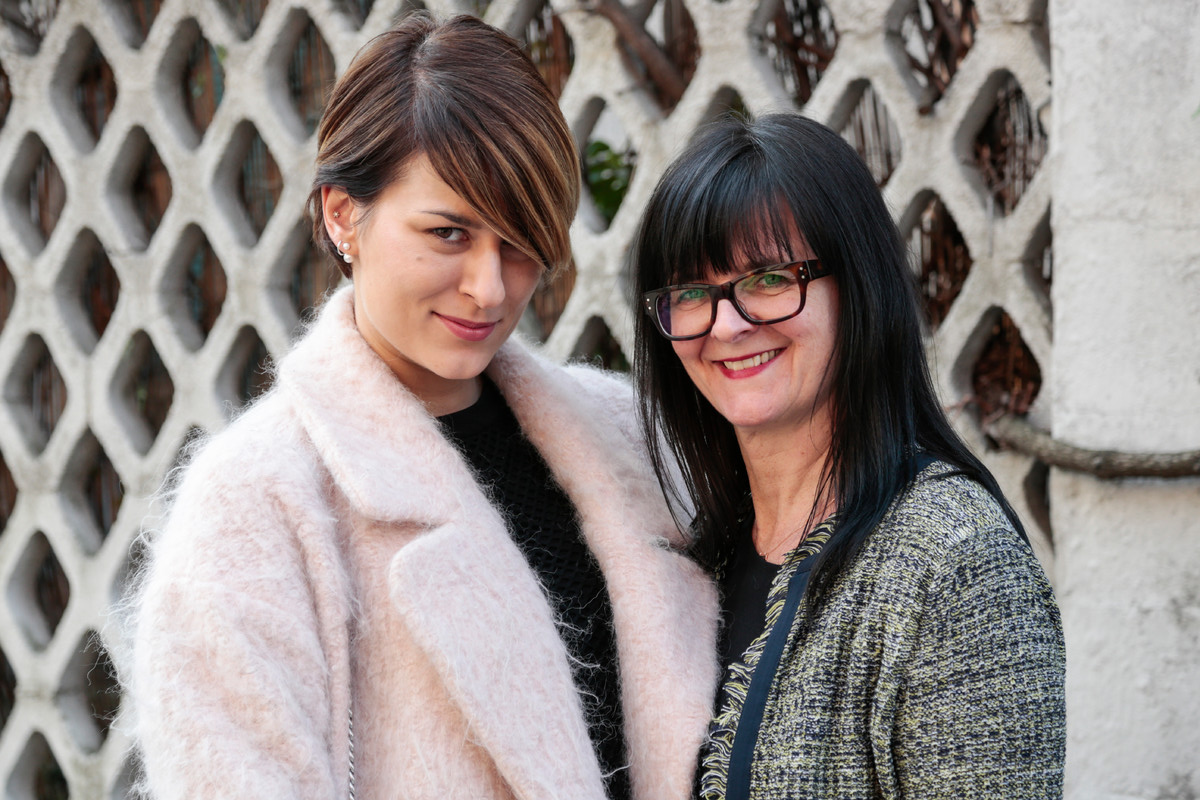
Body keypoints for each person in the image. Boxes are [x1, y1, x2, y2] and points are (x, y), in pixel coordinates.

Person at [111, 14, 719, 800]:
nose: (489, 289)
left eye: (519, 243)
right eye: (449, 233)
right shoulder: (254, 504)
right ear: (342, 214)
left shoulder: (624, 434)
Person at [631, 112, 1065, 799]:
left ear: (857, 284)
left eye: (769, 278)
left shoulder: (954, 559)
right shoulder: (688, 557)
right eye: (690, 293)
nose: (727, 325)